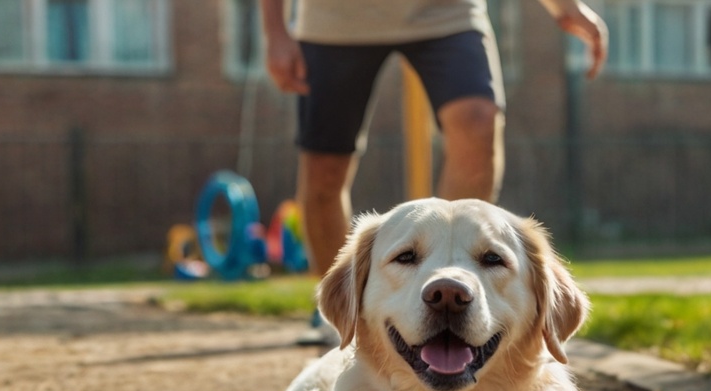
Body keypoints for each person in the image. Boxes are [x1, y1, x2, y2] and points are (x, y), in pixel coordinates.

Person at [258, 0, 608, 345]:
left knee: (477, 121)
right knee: (324, 172)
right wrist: (275, 32)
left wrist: (566, 6)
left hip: (447, 13)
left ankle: (455, 288)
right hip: (333, 20)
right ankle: (338, 315)